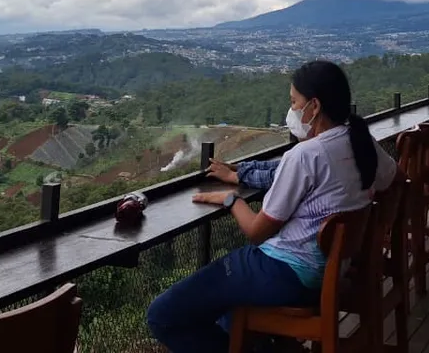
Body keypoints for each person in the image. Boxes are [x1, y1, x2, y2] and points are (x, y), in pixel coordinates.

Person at [146, 60, 398, 353]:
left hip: (287, 272)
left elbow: (256, 232)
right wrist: (373, 239)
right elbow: (396, 182)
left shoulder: (305, 155)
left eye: (294, 102)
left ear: (313, 106)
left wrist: (231, 200)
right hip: (329, 270)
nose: (291, 111)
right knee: (228, 311)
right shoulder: (361, 143)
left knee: (162, 315)